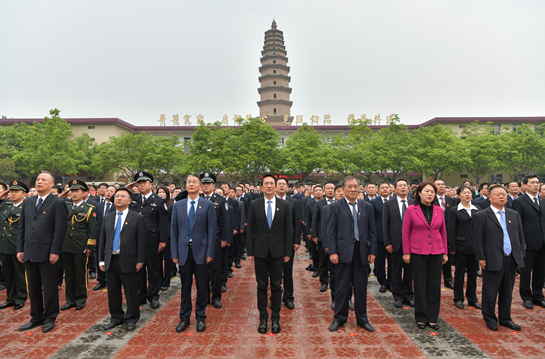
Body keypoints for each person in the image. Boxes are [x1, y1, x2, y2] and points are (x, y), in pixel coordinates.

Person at [17, 171, 69, 333]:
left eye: (43, 180)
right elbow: (22, 227)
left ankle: (50, 316)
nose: (39, 182)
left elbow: (59, 230)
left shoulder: (57, 203)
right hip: (30, 251)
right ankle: (36, 316)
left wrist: (55, 251)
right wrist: (20, 248)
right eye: (38, 179)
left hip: (48, 253)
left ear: (51, 184)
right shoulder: (28, 202)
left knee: (49, 287)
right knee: (32, 287)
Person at [328, 176, 377, 333]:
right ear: (343, 189)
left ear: (359, 188)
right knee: (342, 287)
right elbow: (331, 232)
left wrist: (373, 251)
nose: (353, 189)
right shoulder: (335, 207)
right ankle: (339, 318)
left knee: (361, 288)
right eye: (349, 186)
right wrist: (333, 251)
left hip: (362, 252)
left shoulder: (367, 207)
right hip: (343, 253)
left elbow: (372, 231)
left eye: (356, 186)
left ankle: (362, 319)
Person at [474, 185, 525, 331]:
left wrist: (520, 255)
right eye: (497, 194)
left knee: (507, 291)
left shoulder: (513, 214)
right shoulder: (481, 215)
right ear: (490, 197)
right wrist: (481, 257)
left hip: (511, 257)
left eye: (504, 194)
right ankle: (490, 318)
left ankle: (505, 318)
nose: (502, 197)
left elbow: (520, 237)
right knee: (490, 291)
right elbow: (478, 240)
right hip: (492, 258)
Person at [247, 174, 292, 334]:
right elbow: (250, 229)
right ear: (261, 187)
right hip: (259, 251)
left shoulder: (284, 205)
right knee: (261, 286)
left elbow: (288, 230)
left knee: (276, 286)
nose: (269, 186)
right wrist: (250, 251)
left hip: (278, 252)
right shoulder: (254, 204)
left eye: (271, 183)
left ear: (275, 186)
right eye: (266, 183)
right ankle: (263, 319)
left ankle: (275, 319)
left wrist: (287, 252)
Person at [176, 172, 229, 309]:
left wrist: (224, 238)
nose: (206, 186)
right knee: (202, 275)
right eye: (204, 183)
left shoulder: (220, 200)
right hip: (196, 241)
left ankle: (216, 296)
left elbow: (225, 221)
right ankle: (204, 297)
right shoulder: (193, 199)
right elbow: (180, 197)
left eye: (208, 183)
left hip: (214, 240)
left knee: (215, 270)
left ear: (213, 185)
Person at [171, 175, 216, 333]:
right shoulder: (178, 205)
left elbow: (211, 231)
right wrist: (174, 252)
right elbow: (174, 230)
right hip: (183, 251)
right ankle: (184, 317)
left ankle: (200, 316)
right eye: (188, 182)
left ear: (200, 186)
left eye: (194, 182)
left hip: (201, 252)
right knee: (185, 287)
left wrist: (210, 251)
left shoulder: (208, 205)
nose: (191, 184)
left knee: (202, 286)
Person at [99, 187, 146, 331]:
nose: (118, 198)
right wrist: (101, 259)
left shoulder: (137, 217)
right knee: (112, 290)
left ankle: (131, 317)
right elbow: (103, 240)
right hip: (111, 259)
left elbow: (141, 241)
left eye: (122, 196)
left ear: (130, 200)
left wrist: (140, 260)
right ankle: (116, 317)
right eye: (117, 196)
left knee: (130, 290)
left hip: (128, 259)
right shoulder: (108, 217)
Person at [402, 181, 448, 330]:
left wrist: (445, 252)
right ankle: (421, 317)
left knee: (434, 286)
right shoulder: (411, 209)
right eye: (427, 191)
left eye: (432, 192)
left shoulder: (439, 210)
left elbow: (443, 232)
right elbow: (406, 232)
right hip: (418, 252)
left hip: (436, 251)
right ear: (419, 193)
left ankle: (433, 318)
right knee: (420, 285)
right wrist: (406, 252)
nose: (430, 194)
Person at [126, 171, 169, 309]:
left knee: (153, 269)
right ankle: (141, 295)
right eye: (139, 183)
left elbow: (164, 222)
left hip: (152, 240)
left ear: (151, 184)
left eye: (144, 182)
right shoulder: (132, 199)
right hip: (135, 240)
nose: (142, 185)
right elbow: (116, 196)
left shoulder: (159, 201)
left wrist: (163, 240)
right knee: (138, 268)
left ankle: (153, 295)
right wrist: (128, 187)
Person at [61, 179, 97, 311]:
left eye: (77, 191)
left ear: (84, 193)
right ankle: (70, 300)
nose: (74, 194)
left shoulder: (89, 209)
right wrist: (62, 195)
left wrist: (89, 246)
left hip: (81, 246)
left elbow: (92, 230)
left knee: (80, 273)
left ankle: (80, 299)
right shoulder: (66, 206)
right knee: (69, 274)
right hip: (66, 245)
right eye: (72, 191)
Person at [512, 175, 545, 309]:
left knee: (540, 270)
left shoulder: (542, 200)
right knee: (525, 271)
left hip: (542, 241)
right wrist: (521, 241)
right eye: (532, 183)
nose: (536, 185)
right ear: (524, 185)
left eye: (537, 182)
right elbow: (516, 223)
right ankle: (526, 296)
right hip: (528, 242)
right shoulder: (520, 201)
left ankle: (538, 295)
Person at [447, 186, 481, 310]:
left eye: (469, 193)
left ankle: (472, 299)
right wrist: (452, 247)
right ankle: (458, 298)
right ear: (459, 195)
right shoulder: (454, 210)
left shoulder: (477, 209)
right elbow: (451, 230)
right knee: (459, 274)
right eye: (464, 193)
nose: (467, 194)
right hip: (460, 247)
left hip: (474, 247)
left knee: (473, 274)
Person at [383, 179, 414, 308]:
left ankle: (408, 295)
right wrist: (387, 242)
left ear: (408, 188)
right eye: (400, 186)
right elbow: (385, 224)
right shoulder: (389, 204)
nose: (403, 187)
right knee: (395, 270)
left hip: (412, 242)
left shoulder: (414, 203)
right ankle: (398, 296)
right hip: (395, 242)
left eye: (405, 185)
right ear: (394, 189)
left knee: (409, 271)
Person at [0, 180, 29, 310]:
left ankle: (21, 297)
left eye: (16, 191)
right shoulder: (5, 205)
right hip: (5, 245)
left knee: (19, 274)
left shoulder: (27, 207)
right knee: (8, 274)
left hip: (17, 246)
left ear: (23, 193)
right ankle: (10, 297)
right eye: (11, 191)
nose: (13, 194)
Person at [275, 177, 301, 309]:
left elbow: (297, 223)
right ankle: (275, 297)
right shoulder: (269, 202)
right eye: (279, 184)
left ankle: (288, 297)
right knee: (275, 272)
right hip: (273, 242)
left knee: (288, 271)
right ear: (275, 186)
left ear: (287, 187)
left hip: (288, 242)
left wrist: (296, 241)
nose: (281, 186)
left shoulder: (294, 202)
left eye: (283, 184)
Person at [323, 184, 345, 311]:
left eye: (343, 191)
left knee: (349, 276)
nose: (341, 193)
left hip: (348, 248)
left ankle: (348, 299)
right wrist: (327, 246)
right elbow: (326, 229)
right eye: (338, 191)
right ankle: (335, 299)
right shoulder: (328, 208)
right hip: (334, 248)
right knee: (335, 275)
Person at [311, 182, 336, 292]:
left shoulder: (339, 202)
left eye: (332, 188)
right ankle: (324, 281)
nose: (330, 190)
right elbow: (315, 220)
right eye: (328, 188)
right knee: (323, 261)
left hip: (336, 237)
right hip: (323, 237)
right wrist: (314, 235)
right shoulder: (320, 203)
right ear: (324, 191)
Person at [93, 185, 116, 291]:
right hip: (99, 236)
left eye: (111, 191)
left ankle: (112, 278)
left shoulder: (117, 206)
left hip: (113, 236)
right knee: (100, 257)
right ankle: (102, 280)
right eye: (107, 191)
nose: (108, 193)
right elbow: (94, 223)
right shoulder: (98, 206)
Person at [370, 181, 392, 293]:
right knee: (379, 263)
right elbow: (372, 220)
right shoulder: (374, 203)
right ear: (378, 190)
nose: (384, 189)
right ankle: (382, 282)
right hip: (379, 237)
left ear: (390, 189)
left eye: (386, 187)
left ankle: (391, 282)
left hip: (392, 237)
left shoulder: (394, 201)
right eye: (382, 187)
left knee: (393, 262)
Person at [435, 179, 456, 290]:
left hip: (449, 232)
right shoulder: (431, 199)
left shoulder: (451, 200)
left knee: (446, 257)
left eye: (443, 184)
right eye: (438, 184)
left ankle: (448, 280)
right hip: (435, 233)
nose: (441, 186)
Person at [156, 186, 175, 292]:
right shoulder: (155, 205)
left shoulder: (171, 205)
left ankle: (166, 281)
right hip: (156, 236)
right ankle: (159, 280)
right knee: (157, 260)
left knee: (168, 260)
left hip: (168, 237)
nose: (161, 194)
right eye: (159, 192)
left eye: (163, 192)